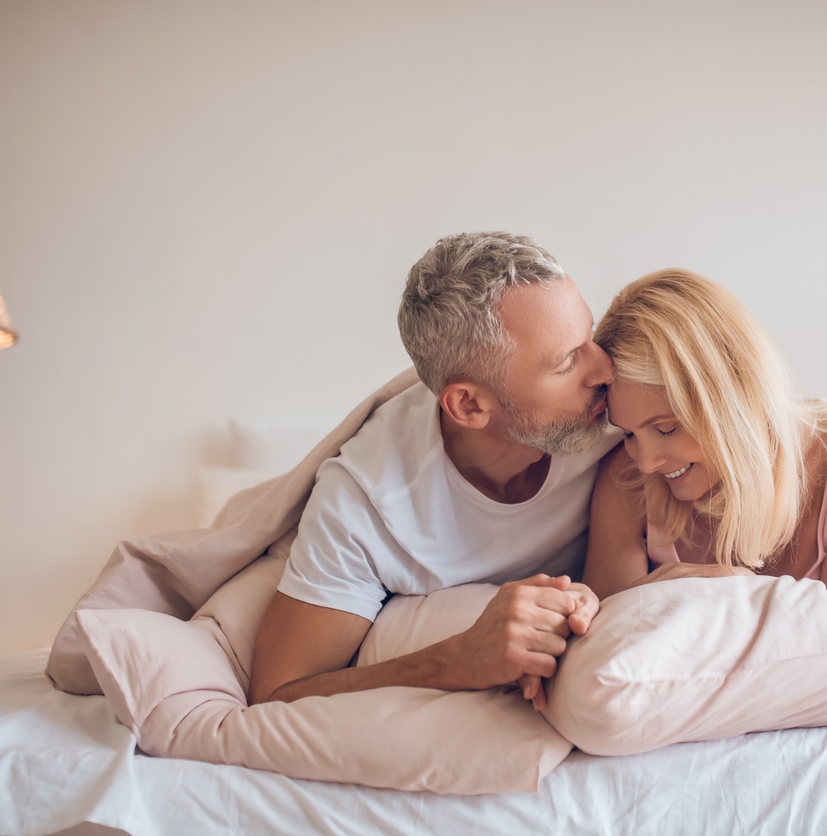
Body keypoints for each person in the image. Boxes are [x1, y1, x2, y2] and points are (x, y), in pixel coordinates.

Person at [249, 232, 619, 710]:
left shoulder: (621, 416)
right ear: (468, 405)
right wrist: (458, 661)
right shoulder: (367, 505)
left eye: (588, 335)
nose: (606, 369)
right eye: (568, 361)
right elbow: (276, 695)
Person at [583, 268, 827, 599]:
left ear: (735, 396)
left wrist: (741, 590)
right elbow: (607, 641)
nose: (646, 463)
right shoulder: (626, 479)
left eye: (667, 428)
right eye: (629, 434)